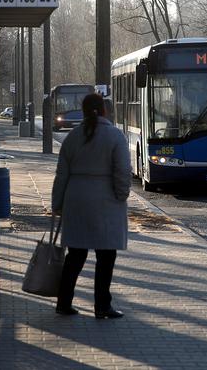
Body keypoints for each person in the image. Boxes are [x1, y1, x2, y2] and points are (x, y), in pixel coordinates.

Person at [51, 93, 132, 319]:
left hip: (76, 199)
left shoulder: (73, 137)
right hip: (106, 201)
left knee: (75, 255)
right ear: (104, 110)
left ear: (83, 111)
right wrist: (121, 195)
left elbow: (61, 175)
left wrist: (57, 204)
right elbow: (123, 171)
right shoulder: (115, 136)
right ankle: (102, 306)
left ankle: (64, 302)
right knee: (106, 257)